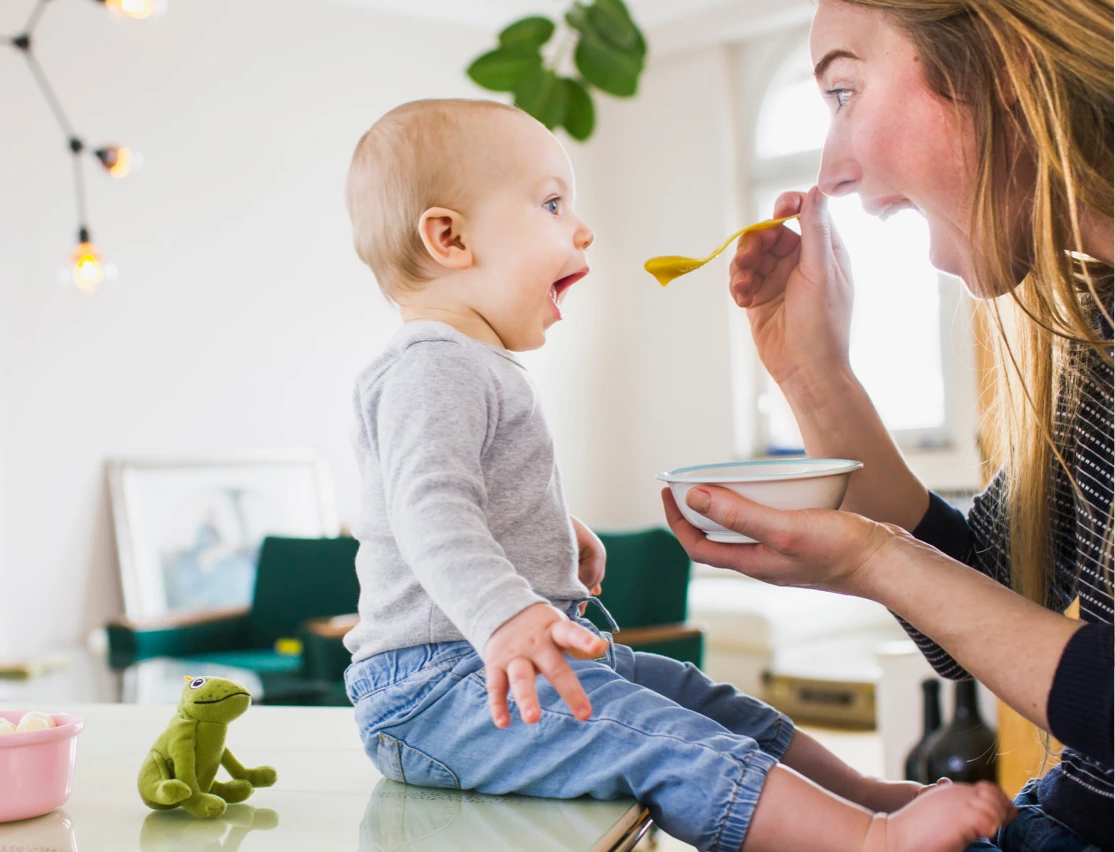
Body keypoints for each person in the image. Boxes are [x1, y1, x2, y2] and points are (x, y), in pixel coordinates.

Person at [340, 97, 1013, 851]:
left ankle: (858, 794)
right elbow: (425, 510)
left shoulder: (468, 366)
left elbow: (459, 496)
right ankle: (863, 840)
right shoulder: (432, 365)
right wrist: (506, 615)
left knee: (698, 698)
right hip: (438, 689)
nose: (582, 228)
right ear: (449, 238)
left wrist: (547, 533)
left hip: (483, 666)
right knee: (656, 738)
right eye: (552, 203)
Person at [661, 1, 1113, 848]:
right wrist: (814, 374)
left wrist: (877, 560)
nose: (830, 169)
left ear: (1003, 63)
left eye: (842, 92)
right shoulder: (1100, 336)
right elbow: (992, 598)